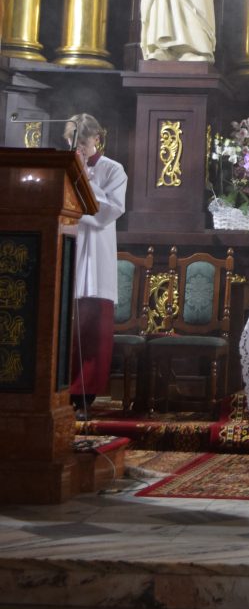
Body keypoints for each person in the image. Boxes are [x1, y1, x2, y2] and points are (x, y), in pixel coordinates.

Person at [64, 113, 128, 417]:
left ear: (97, 139)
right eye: (72, 142)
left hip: (95, 251)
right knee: (66, 326)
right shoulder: (63, 167)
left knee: (93, 328)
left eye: (83, 142)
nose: (77, 148)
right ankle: (60, 390)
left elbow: (110, 211)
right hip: (67, 244)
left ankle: (85, 395)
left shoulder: (113, 169)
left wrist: (86, 180)